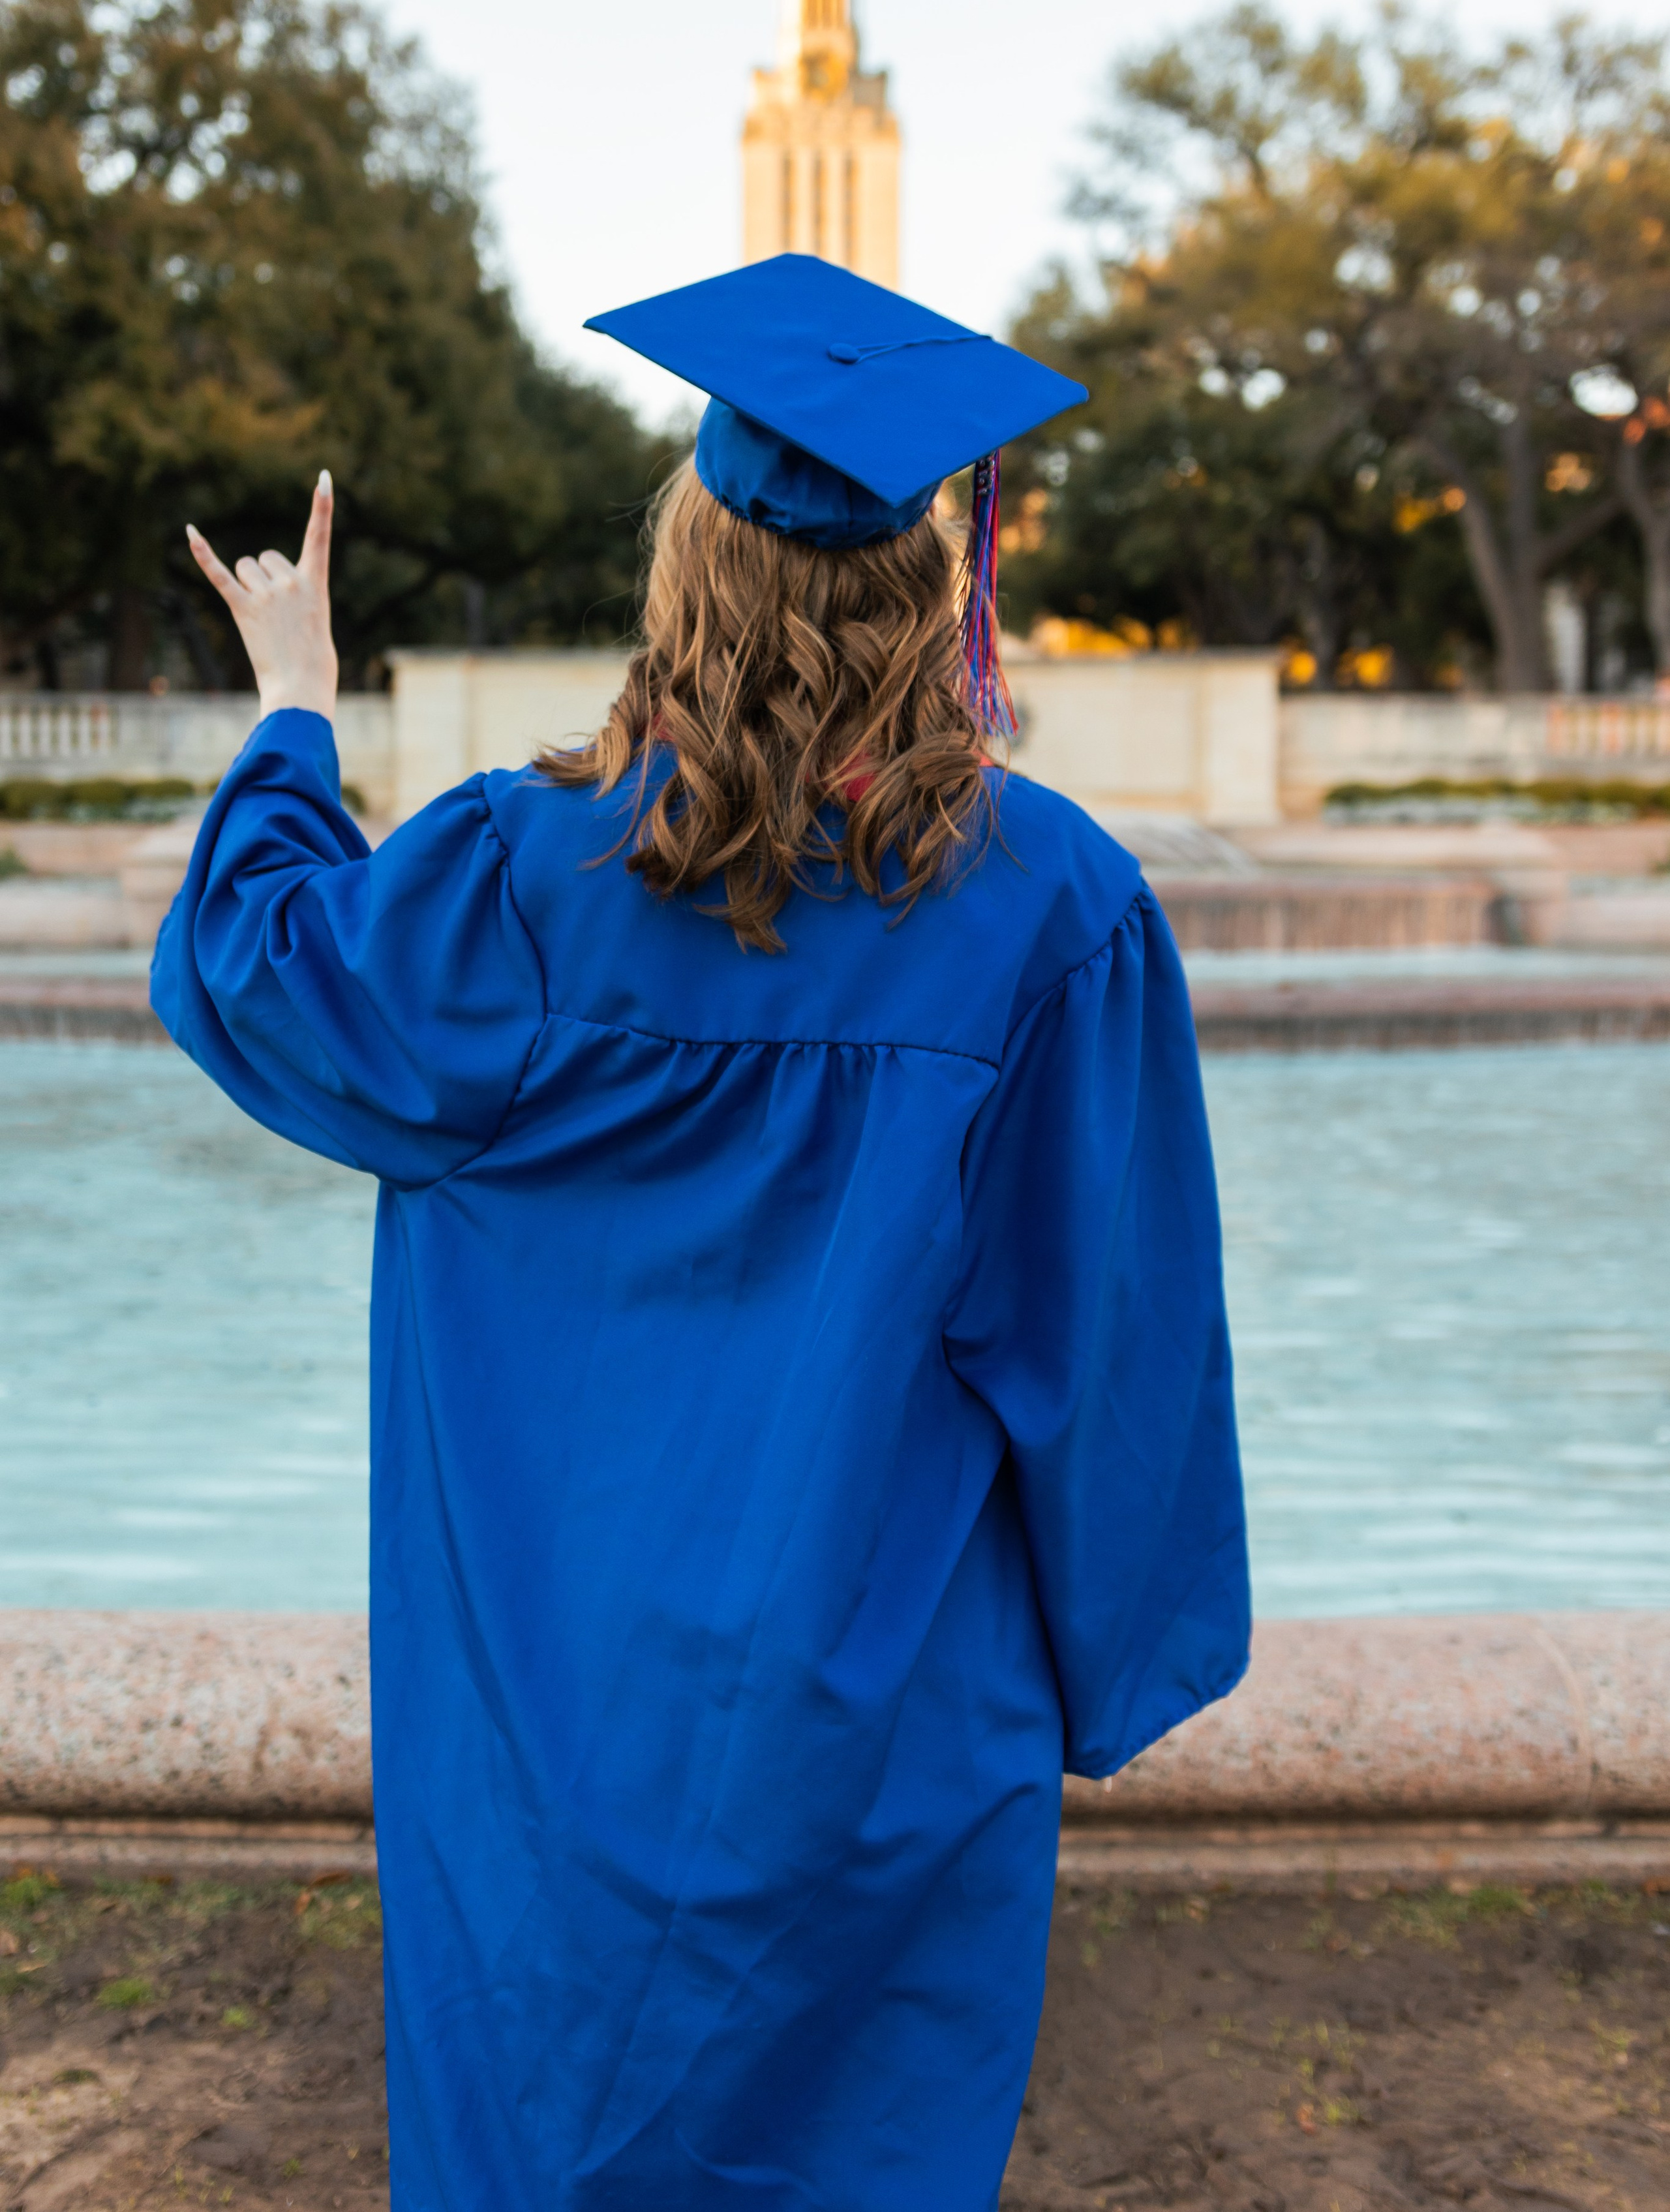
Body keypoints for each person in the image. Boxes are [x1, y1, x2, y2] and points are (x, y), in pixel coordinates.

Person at [153, 254, 1249, 2212]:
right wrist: (1116, 1663)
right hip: (890, 1734)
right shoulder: (1054, 910)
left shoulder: (513, 882)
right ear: (937, 587)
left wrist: (296, 708)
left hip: (557, 1746)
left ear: (687, 571)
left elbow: (259, 969)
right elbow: (1112, 1351)